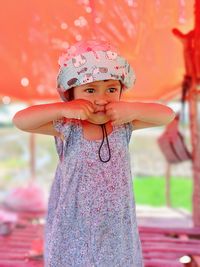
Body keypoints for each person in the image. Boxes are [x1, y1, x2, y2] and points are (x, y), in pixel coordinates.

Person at [12, 39, 175, 267]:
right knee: (75, 259)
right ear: (71, 95)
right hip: (74, 218)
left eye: (111, 89)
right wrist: (62, 109)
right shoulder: (67, 126)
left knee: (115, 258)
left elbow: (166, 114)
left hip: (115, 219)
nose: (101, 99)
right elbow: (20, 120)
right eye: (90, 90)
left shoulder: (123, 124)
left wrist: (134, 109)